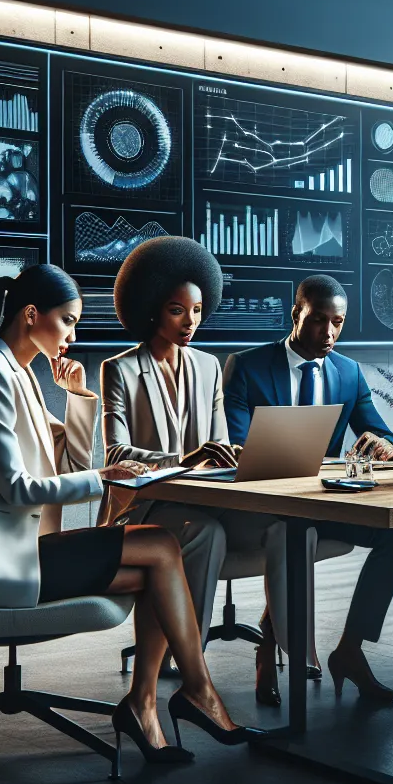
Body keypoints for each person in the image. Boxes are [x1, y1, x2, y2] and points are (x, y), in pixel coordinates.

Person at [0, 264, 261, 765]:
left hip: (24, 551)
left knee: (158, 566)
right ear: (31, 315)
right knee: (160, 545)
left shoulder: (20, 373)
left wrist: (78, 397)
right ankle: (197, 692)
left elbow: (72, 464)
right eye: (68, 321)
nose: (73, 336)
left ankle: (145, 704)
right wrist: (106, 477)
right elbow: (19, 489)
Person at [223, 274, 393, 704]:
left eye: (337, 323)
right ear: (296, 314)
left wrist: (386, 445)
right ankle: (270, 643)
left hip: (325, 503)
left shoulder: (348, 372)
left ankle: (350, 650)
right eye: (317, 320)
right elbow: (239, 446)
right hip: (267, 505)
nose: (328, 332)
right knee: (295, 530)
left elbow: (385, 434)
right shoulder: (248, 366)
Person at [100, 236, 269, 683]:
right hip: (145, 504)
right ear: (153, 308)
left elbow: (219, 445)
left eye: (196, 310)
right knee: (206, 533)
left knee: (281, 526)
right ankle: (189, 657)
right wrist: (184, 459)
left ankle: (281, 647)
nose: (190, 322)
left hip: (204, 497)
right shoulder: (119, 369)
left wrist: (234, 455)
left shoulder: (209, 366)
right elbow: (116, 454)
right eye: (178, 310)